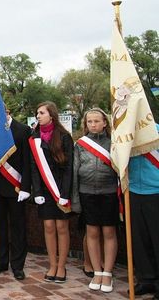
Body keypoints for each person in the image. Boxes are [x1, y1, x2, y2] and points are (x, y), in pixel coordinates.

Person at [71, 108, 117, 292]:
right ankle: (97, 271)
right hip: (87, 193)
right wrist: (75, 199)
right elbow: (75, 172)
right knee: (92, 232)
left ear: (105, 123)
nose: (93, 125)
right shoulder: (80, 144)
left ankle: (107, 273)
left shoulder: (113, 143)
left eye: (97, 121)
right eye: (89, 122)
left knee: (109, 232)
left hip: (109, 192)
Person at [30, 101, 74, 283]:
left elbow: (69, 168)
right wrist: (37, 192)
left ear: (52, 115)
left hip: (61, 189)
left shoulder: (64, 136)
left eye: (41, 113)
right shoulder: (34, 137)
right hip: (44, 190)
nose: (38, 116)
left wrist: (65, 194)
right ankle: (53, 264)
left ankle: (62, 266)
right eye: (37, 113)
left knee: (61, 227)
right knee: (48, 226)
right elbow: (34, 167)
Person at [0, 107, 32, 280]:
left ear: (7, 112)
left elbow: (28, 161)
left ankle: (17, 265)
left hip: (16, 188)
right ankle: (1, 262)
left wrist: (26, 187)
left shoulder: (23, 130)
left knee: (18, 227)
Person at [128, 123, 159, 298]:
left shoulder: (156, 131)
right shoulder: (125, 132)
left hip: (155, 190)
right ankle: (146, 279)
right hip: (134, 189)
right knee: (139, 239)